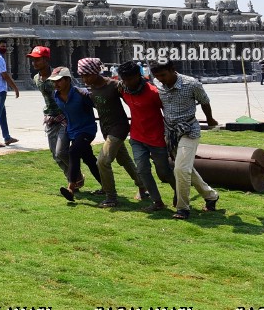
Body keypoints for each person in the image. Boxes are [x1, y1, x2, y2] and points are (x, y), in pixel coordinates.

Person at [150, 59, 221, 220]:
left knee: (181, 169)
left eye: (163, 75)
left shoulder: (191, 84)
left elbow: (205, 101)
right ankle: (211, 196)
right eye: (158, 76)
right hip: (170, 133)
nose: (161, 79)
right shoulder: (157, 83)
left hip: (189, 131)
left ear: (172, 70)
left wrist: (210, 119)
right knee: (186, 168)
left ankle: (183, 208)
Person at [78, 58, 143, 209]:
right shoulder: (91, 88)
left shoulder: (114, 85)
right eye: (82, 76)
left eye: (87, 75)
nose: (84, 79)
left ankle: (111, 197)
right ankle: (143, 186)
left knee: (103, 161)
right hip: (106, 129)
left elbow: (132, 102)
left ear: (96, 72)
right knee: (125, 160)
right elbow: (91, 99)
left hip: (119, 128)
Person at [118, 61, 176, 212]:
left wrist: (171, 136)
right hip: (137, 137)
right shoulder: (123, 89)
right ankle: (157, 202)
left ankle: (179, 193)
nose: (128, 83)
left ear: (139, 76)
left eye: (130, 79)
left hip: (157, 138)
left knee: (163, 172)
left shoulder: (154, 92)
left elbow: (168, 113)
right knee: (142, 170)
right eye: (125, 79)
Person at [49, 66, 101, 201]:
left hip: (87, 130)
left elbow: (99, 104)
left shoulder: (81, 94)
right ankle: (106, 186)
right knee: (89, 160)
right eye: (54, 82)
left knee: (73, 151)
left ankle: (71, 188)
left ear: (67, 80)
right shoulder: (56, 96)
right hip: (72, 131)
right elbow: (65, 112)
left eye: (58, 81)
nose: (56, 84)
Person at [27, 46, 69, 178]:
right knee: (55, 154)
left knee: (61, 152)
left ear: (46, 60)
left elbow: (71, 93)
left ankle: (75, 178)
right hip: (51, 118)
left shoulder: (58, 77)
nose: (34, 63)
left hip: (64, 117)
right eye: (32, 60)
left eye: (37, 60)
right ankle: (73, 177)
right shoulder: (36, 78)